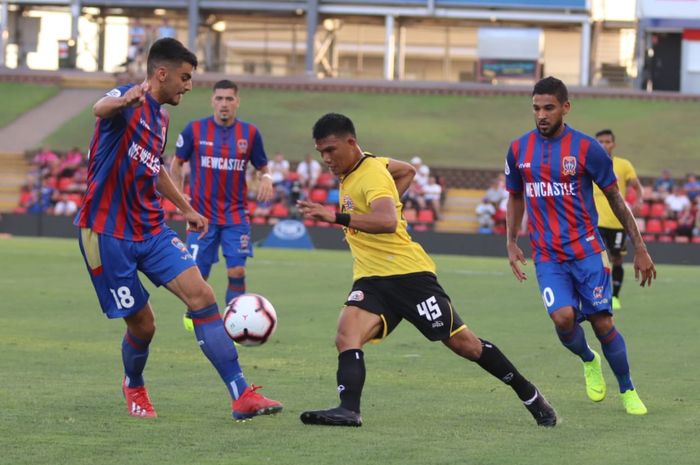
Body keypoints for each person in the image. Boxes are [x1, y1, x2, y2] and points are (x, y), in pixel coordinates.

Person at [296, 113, 557, 428]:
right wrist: (394, 199)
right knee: (346, 334)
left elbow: (388, 221)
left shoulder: (372, 175)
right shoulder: (366, 167)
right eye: (320, 152)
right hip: (373, 280)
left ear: (351, 143)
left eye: (331, 150)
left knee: (467, 345)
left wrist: (334, 217)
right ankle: (348, 409)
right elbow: (408, 170)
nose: (326, 159)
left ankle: (529, 394)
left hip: (409, 278)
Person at [74, 38, 281, 420]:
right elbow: (99, 108)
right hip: (106, 233)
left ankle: (241, 395)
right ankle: (133, 384)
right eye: (184, 78)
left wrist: (187, 209)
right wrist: (124, 100)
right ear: (161, 74)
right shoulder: (126, 100)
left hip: (151, 229)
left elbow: (156, 170)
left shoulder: (162, 119)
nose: (188, 86)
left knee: (202, 296)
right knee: (145, 325)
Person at [504, 76, 656, 416]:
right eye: (536, 108)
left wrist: (640, 247)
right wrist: (512, 241)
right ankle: (589, 359)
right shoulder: (518, 150)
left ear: (565, 108)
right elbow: (515, 197)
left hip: (587, 251)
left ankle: (628, 388)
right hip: (547, 256)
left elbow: (615, 198)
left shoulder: (587, 148)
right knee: (562, 319)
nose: (541, 115)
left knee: (603, 324)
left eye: (548, 108)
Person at [171, 80, 274, 318]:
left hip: (235, 215)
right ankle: (194, 314)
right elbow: (176, 163)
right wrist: (179, 197)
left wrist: (266, 177)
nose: (224, 104)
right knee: (197, 276)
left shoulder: (249, 133)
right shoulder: (194, 129)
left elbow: (262, 165)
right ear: (212, 101)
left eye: (229, 99)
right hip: (201, 216)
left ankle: (235, 321)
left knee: (237, 270)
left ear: (237, 102)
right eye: (219, 98)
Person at [592, 129, 644, 310]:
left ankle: (614, 296)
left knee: (617, 259)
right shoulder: (589, 163)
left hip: (617, 222)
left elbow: (637, 187)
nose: (604, 145)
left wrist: (638, 201)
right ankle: (598, 295)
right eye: (600, 141)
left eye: (607, 141)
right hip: (595, 222)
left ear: (613, 144)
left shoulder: (623, 165)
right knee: (596, 259)